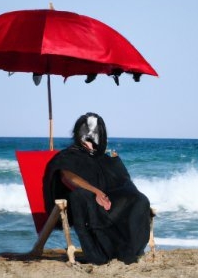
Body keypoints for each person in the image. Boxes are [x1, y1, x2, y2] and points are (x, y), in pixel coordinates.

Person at [43, 112, 151, 265]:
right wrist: (96, 192)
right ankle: (99, 254)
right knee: (80, 196)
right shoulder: (69, 155)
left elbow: (124, 182)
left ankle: (129, 252)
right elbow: (67, 177)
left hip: (110, 201)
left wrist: (115, 164)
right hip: (86, 203)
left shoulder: (103, 157)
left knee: (139, 200)